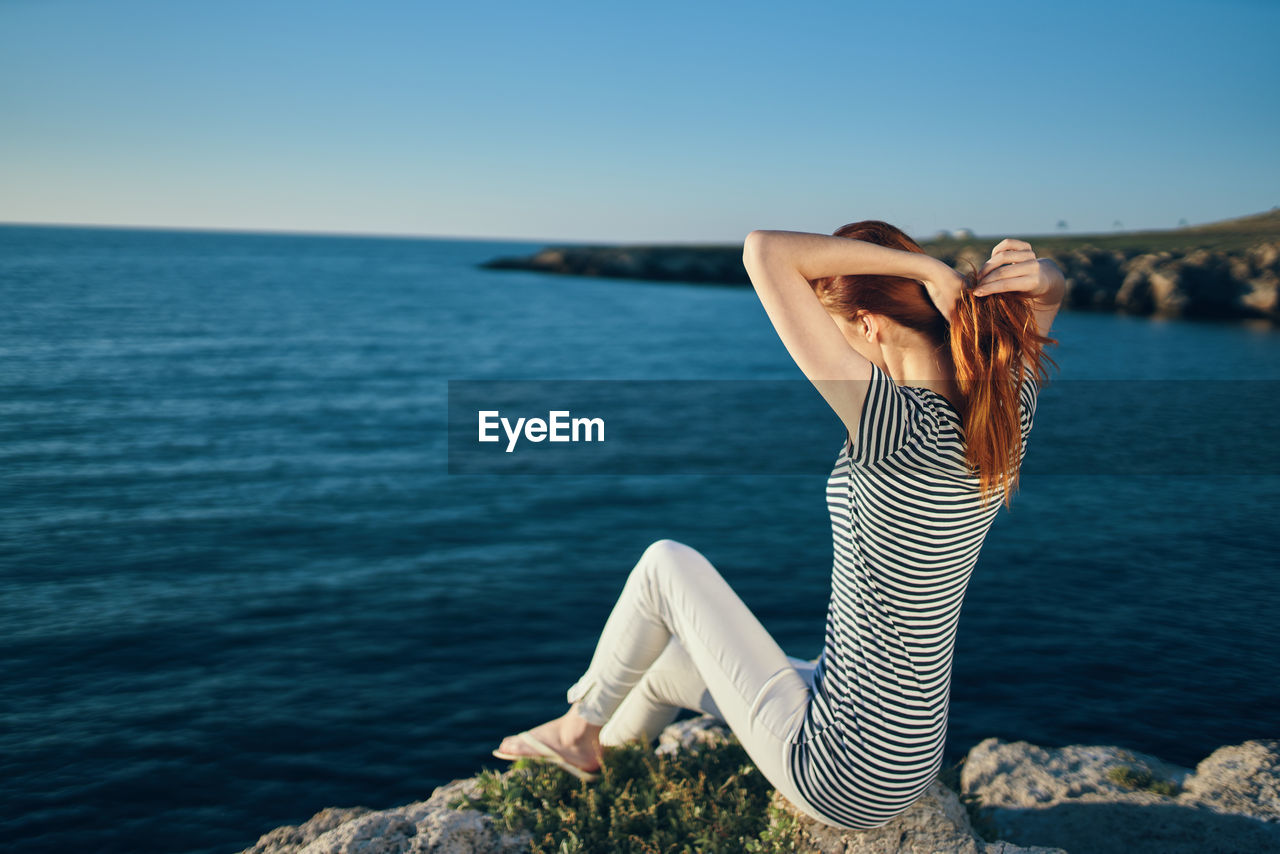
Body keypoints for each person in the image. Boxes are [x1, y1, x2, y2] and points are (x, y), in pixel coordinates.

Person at [493, 221, 1063, 829]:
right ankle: (599, 756)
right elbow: (1050, 291)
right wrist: (1043, 274)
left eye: (840, 332)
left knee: (666, 563)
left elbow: (763, 251)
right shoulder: (1003, 404)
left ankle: (578, 726)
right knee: (661, 671)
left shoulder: (897, 424)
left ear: (868, 325)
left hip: (844, 770)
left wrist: (928, 271)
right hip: (908, 746)